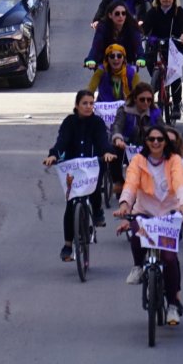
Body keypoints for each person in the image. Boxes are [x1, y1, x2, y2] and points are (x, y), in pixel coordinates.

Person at [113, 126, 183, 325]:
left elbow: (180, 184)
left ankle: (173, 304)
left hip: (169, 214)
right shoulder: (138, 161)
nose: (156, 143)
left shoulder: (175, 161)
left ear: (165, 142)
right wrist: (124, 205)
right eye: (151, 139)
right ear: (145, 141)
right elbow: (130, 185)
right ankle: (138, 267)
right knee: (136, 233)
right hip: (145, 212)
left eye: (159, 139)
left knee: (169, 257)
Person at [43, 90, 116, 257]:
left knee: (95, 188)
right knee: (71, 204)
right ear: (77, 105)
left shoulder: (97, 122)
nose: (89, 106)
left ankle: (97, 212)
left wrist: (107, 152)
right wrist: (53, 154)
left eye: (91, 103)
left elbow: (102, 140)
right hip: (73, 168)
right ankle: (68, 245)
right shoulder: (69, 122)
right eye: (85, 103)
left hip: (93, 166)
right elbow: (62, 141)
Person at [140, 0, 183, 114]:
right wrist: (140, 31)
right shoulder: (153, 11)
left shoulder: (178, 12)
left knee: (175, 74)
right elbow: (145, 28)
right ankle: (157, 82)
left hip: (174, 44)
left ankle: (176, 105)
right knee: (149, 61)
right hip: (156, 44)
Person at [86, 1, 146, 67]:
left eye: (123, 13)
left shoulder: (132, 27)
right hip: (105, 64)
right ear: (110, 15)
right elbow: (96, 46)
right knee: (97, 77)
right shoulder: (102, 27)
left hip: (127, 64)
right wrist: (91, 59)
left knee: (134, 76)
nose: (121, 16)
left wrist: (141, 58)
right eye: (117, 14)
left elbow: (138, 46)